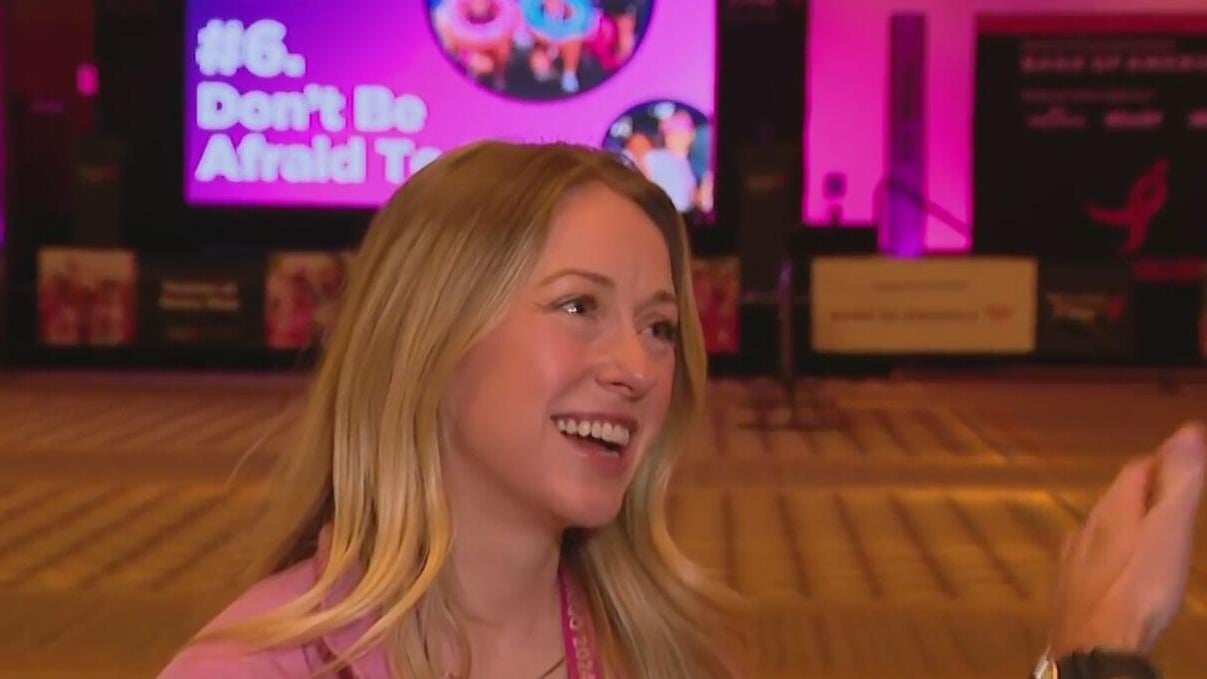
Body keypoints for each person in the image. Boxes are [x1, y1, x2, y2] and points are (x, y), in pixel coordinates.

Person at [157, 142, 1205, 679]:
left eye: (660, 326)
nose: (637, 367)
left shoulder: (659, 654)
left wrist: (1084, 658)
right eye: (579, 307)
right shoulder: (248, 671)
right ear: (425, 340)